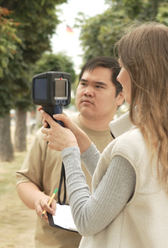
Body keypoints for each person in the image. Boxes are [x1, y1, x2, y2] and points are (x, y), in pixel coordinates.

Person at [40, 22, 168, 247]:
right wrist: (83, 145)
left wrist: (69, 150)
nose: (119, 78)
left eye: (123, 68)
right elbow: (120, 188)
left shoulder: (132, 146)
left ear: (142, 73)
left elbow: (85, 221)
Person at [16, 57, 125, 248]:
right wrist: (39, 199)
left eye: (99, 86)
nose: (87, 92)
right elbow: (25, 181)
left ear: (120, 96)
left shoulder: (126, 141)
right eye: (83, 84)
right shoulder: (50, 132)